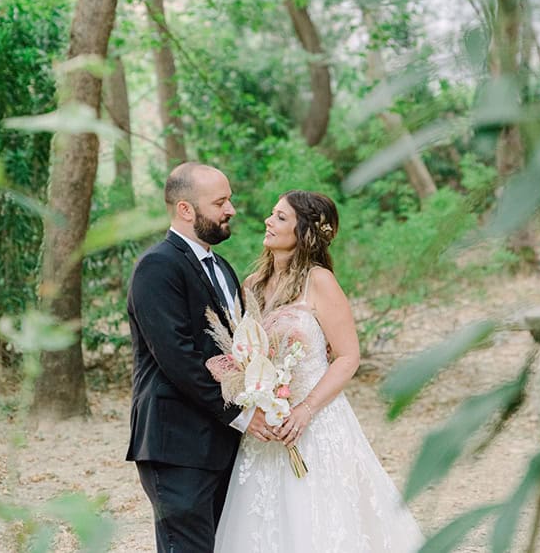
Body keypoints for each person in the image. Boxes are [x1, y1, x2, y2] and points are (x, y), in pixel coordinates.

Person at [214, 190, 424, 553]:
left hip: (315, 423)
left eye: (280, 217)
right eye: (271, 214)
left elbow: (347, 357)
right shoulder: (250, 286)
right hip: (266, 427)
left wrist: (304, 409)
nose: (268, 220)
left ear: (305, 231)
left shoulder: (319, 282)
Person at [126, 162, 272, 553]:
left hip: (222, 441)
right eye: (220, 202)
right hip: (177, 443)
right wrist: (241, 415)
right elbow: (178, 358)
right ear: (185, 210)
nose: (231, 210)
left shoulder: (222, 268)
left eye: (230, 200)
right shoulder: (157, 267)